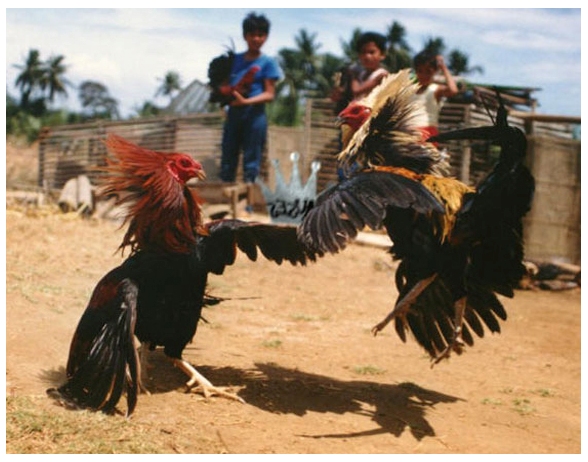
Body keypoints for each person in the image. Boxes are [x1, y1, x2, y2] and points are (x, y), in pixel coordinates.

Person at [220, 12, 282, 184]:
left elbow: (269, 94)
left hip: (254, 115)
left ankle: (248, 205)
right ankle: (225, 202)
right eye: (252, 34)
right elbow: (223, 84)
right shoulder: (233, 60)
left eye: (260, 35)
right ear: (245, 36)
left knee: (252, 161)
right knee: (228, 158)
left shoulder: (268, 63)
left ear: (266, 37)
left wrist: (246, 101)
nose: (256, 38)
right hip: (233, 114)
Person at [412, 50, 459, 141]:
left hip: (427, 134)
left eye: (428, 72)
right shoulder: (410, 90)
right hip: (407, 134)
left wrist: (443, 67)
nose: (423, 75)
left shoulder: (435, 89)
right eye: (420, 71)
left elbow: (453, 90)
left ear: (434, 72)